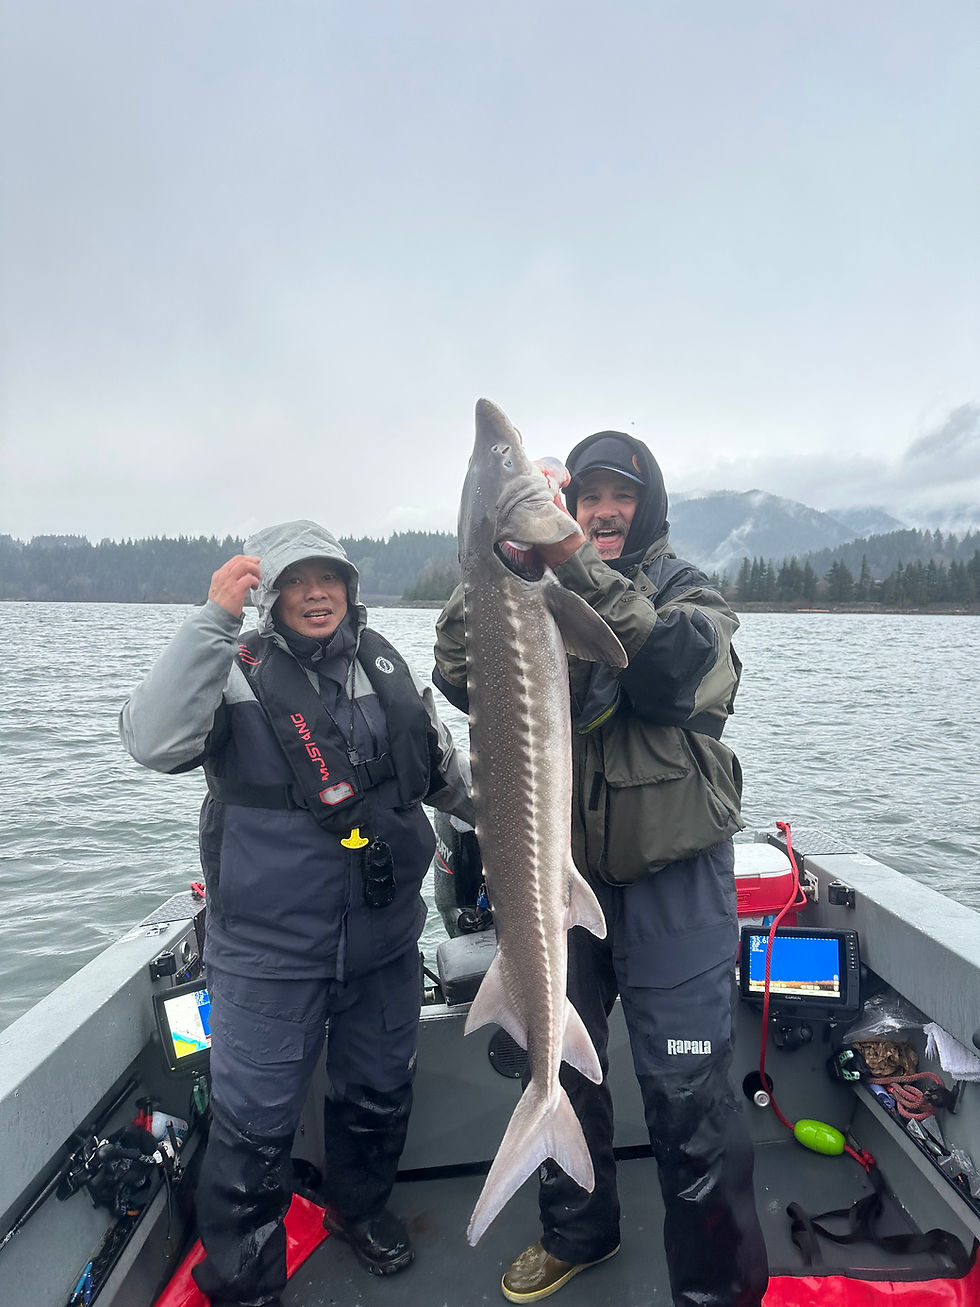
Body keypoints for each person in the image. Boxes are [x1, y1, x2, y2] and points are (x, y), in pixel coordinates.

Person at [433, 433, 769, 1307]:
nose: (602, 511)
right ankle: (579, 1232)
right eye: (587, 498)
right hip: (559, 880)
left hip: (673, 883)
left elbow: (670, 675)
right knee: (565, 1065)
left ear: (645, 505)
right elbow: (459, 678)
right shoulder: (533, 590)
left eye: (620, 497)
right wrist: (497, 563)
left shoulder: (693, 594)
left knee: (687, 1094)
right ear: (568, 503)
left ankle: (717, 1292)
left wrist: (571, 562)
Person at [120, 519, 475, 1307]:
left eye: (332, 578)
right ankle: (245, 1278)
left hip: (383, 945)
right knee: (253, 1123)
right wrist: (212, 619)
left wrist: (550, 825)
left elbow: (451, 774)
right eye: (297, 581)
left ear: (351, 588)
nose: (317, 593)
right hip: (266, 955)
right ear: (271, 595)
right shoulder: (231, 671)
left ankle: (361, 1209)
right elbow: (151, 740)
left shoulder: (388, 669)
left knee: (379, 1089)